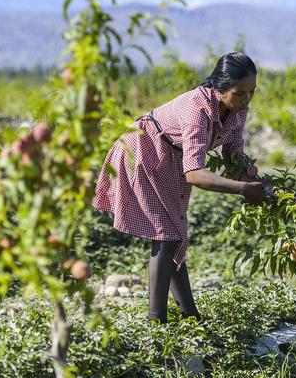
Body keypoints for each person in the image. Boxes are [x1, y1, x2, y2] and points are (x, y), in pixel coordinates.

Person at [92, 52, 267, 323]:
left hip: (170, 158)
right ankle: (156, 321)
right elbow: (195, 174)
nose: (246, 100)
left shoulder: (237, 112)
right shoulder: (196, 108)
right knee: (167, 234)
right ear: (220, 88)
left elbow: (234, 157)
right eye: (240, 93)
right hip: (143, 151)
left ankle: (190, 317)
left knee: (174, 232)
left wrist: (262, 185)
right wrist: (244, 190)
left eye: (252, 92)